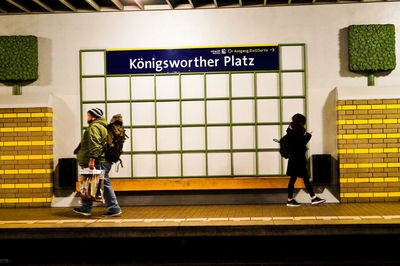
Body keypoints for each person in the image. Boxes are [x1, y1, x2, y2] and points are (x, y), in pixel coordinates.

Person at [73, 108, 122, 217]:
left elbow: (95, 145)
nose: (88, 118)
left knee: (104, 184)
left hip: (99, 161)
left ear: (93, 117)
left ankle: (114, 208)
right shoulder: (103, 126)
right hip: (101, 160)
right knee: (88, 183)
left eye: (88, 116)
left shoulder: (94, 127)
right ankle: (86, 208)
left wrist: (92, 160)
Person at [286, 113, 325, 207]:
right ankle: (313, 198)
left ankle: (290, 199)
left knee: (293, 180)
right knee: (305, 179)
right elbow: (300, 143)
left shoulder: (291, 130)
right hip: (298, 160)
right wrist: (308, 135)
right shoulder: (296, 131)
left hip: (294, 159)